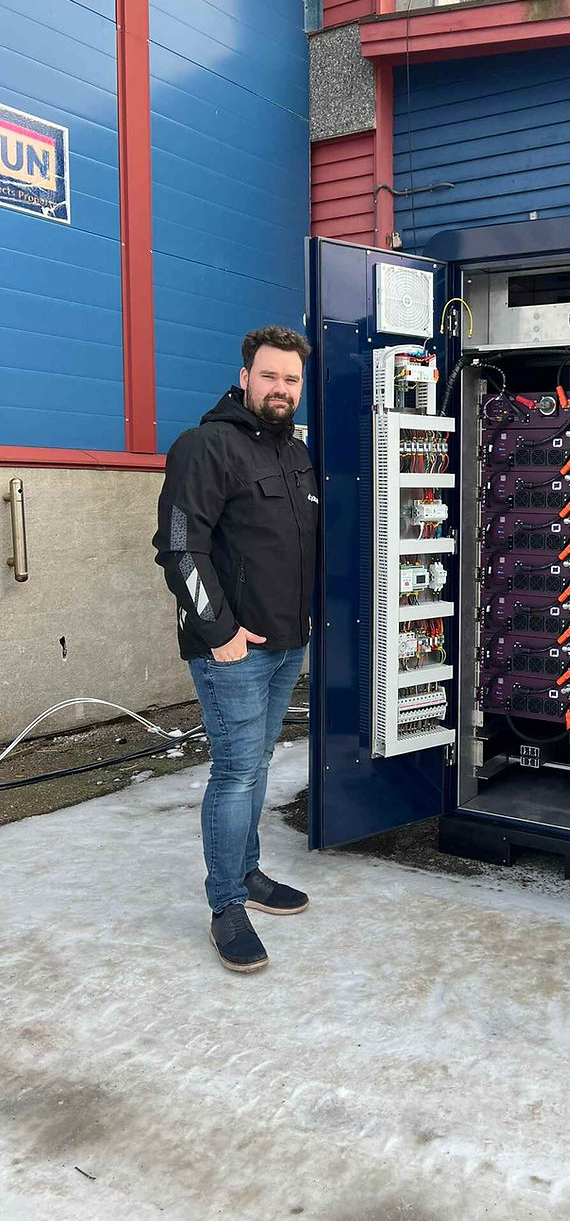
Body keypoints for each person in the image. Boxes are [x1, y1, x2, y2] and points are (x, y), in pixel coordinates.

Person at [153, 326, 318, 972]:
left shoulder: (293, 454)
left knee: (257, 766)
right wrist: (218, 629)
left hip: (284, 647)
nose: (282, 389)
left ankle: (246, 872)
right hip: (233, 652)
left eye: (293, 380)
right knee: (237, 771)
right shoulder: (207, 447)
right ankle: (225, 903)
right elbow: (178, 545)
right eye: (271, 376)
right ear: (244, 375)